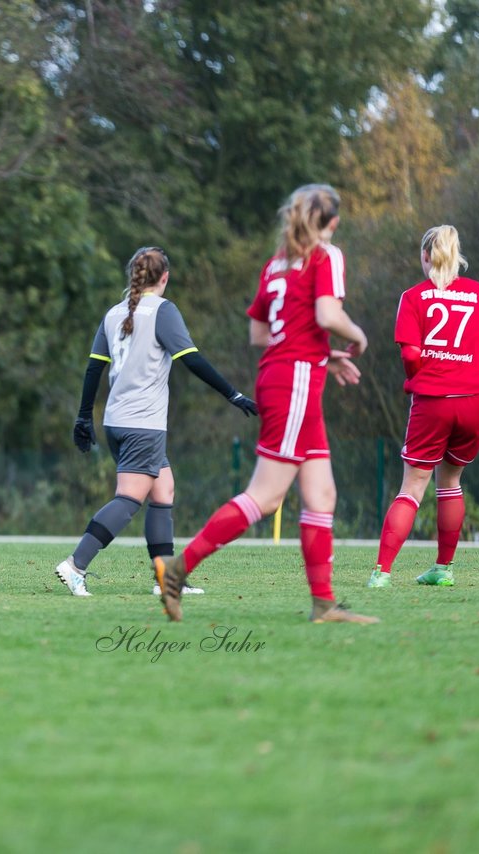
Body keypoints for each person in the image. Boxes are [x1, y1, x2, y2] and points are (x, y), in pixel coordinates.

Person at [155, 183, 379, 624]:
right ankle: (178, 571)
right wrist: (358, 336)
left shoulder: (275, 265)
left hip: (287, 376)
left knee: (321, 494)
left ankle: (323, 604)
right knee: (266, 497)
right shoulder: (326, 255)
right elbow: (327, 316)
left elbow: (260, 335)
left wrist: (320, 354)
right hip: (295, 382)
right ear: (332, 222)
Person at [56, 246, 258, 597]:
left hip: (118, 423)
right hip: (143, 425)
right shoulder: (163, 311)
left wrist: (84, 416)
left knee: (163, 490)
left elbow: (93, 368)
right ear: (164, 277)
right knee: (129, 498)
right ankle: (76, 564)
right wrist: (233, 394)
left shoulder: (113, 313)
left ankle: (166, 578)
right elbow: (192, 359)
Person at [368, 226, 479, 588]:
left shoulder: (414, 297)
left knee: (412, 487)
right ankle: (443, 568)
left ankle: (382, 573)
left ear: (426, 256)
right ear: (457, 257)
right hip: (477, 398)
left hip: (435, 398)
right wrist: (467, 355)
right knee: (452, 480)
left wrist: (423, 367)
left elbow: (410, 354)